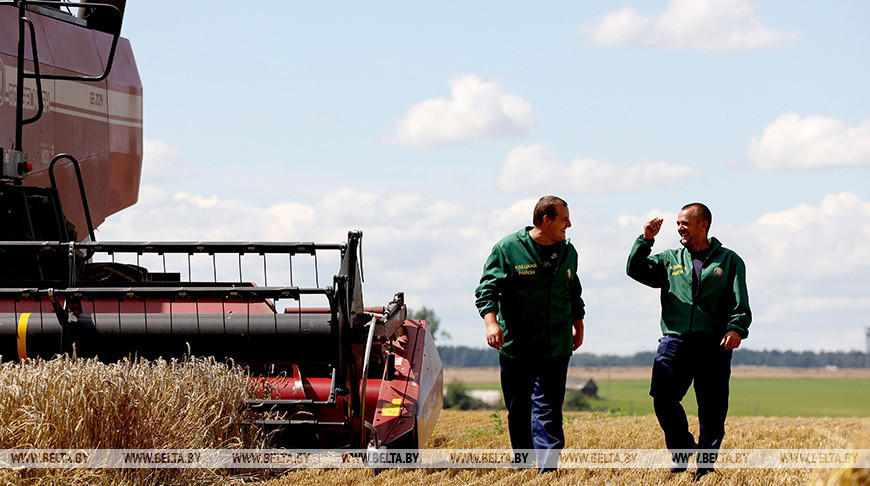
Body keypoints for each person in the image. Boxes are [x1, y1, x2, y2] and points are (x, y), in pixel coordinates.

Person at [626, 203, 751, 480]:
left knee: (712, 409)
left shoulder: (729, 261)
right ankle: (682, 448)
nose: (680, 228)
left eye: (685, 223)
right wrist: (645, 240)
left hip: (714, 345)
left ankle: (704, 469)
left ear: (703, 225)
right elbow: (635, 270)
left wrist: (736, 329)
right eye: (678, 224)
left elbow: (740, 304)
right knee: (662, 397)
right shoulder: (669, 259)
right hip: (675, 341)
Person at [475, 195, 585, 472]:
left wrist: (579, 325)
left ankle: (548, 468)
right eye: (564, 219)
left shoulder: (569, 252)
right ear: (545, 220)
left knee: (548, 408)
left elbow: (573, 292)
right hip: (517, 346)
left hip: (555, 346)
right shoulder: (508, 249)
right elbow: (487, 291)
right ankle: (523, 464)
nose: (569, 224)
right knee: (519, 410)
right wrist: (491, 323)